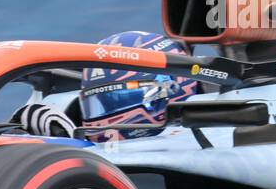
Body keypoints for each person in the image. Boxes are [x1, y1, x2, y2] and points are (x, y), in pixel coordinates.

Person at [15, 30, 199, 142]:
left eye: (120, 98)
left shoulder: (214, 141)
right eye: (96, 103)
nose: (102, 121)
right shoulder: (78, 140)